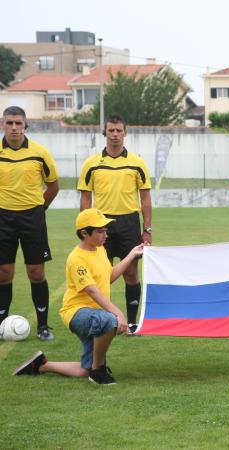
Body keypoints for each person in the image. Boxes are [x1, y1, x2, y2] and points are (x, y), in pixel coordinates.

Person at [12, 208, 144, 385]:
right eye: (100, 231)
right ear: (84, 233)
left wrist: (131, 254)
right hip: (76, 313)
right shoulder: (77, 259)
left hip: (96, 315)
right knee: (109, 321)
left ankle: (41, 365)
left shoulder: (100, 250)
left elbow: (109, 277)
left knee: (84, 370)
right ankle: (98, 371)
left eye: (106, 230)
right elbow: (92, 290)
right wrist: (118, 313)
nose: (105, 235)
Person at [78, 115, 151, 334]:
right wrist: (87, 228)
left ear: (125, 132)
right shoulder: (92, 164)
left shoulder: (137, 163)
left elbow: (145, 199)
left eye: (119, 130)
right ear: (105, 133)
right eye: (111, 130)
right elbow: (85, 198)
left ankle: (131, 322)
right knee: (102, 276)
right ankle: (105, 321)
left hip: (129, 222)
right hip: (102, 225)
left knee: (131, 274)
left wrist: (147, 229)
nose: (115, 134)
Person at [0, 106, 59, 341]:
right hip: (3, 218)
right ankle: (2, 323)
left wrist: (39, 209)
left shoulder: (40, 153)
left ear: (26, 126)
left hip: (32, 218)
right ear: (3, 124)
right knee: (4, 273)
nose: (14, 127)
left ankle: (43, 326)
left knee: (36, 272)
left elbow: (53, 185)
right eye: (10, 123)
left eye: (19, 123)